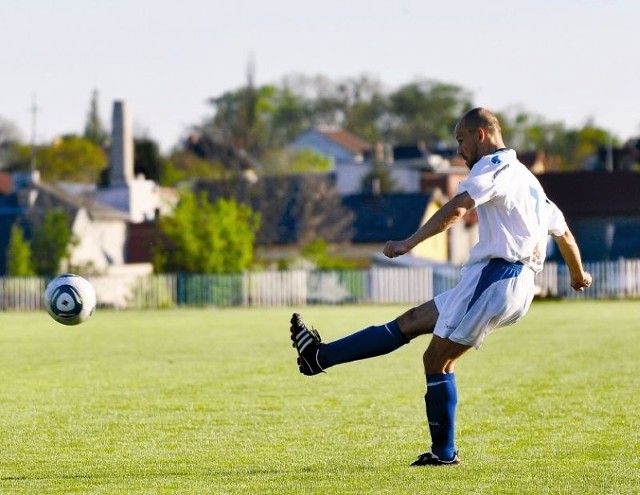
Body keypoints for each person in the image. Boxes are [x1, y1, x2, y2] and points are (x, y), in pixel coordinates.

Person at [289, 107, 592, 466]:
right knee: (412, 320)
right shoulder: (530, 181)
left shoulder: (494, 166)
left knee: (437, 360)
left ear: (480, 135)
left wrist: (408, 243)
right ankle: (318, 357)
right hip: (509, 283)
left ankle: (444, 454)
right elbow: (565, 234)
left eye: (461, 141)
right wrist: (578, 274)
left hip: (496, 279)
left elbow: (459, 207)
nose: (459, 150)